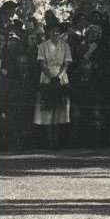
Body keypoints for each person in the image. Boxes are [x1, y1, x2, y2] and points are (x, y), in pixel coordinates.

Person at [33, 19, 73, 149]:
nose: (55, 33)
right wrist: (51, 77)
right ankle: (50, 142)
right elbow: (42, 64)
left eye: (58, 31)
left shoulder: (65, 46)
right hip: (47, 78)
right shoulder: (43, 45)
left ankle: (57, 141)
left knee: (60, 111)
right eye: (53, 31)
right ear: (49, 32)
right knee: (48, 112)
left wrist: (59, 76)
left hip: (61, 78)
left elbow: (66, 63)